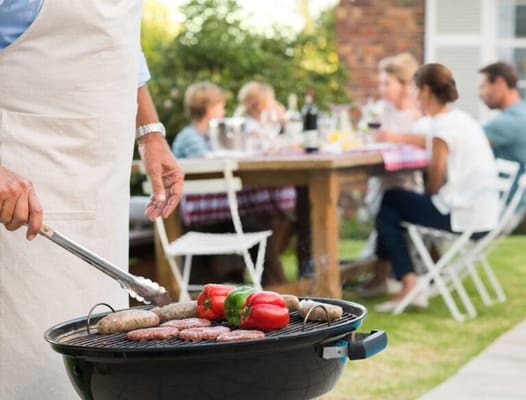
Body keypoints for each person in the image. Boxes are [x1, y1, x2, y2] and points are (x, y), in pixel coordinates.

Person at [0, 2, 184, 399]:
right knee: (32, 367)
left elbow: (121, 45)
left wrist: (150, 133)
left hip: (102, 191)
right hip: (21, 193)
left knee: (97, 361)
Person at [373, 63, 500, 312]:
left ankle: (408, 283)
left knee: (389, 201)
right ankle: (400, 279)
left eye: (416, 90)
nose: (413, 96)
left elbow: (434, 181)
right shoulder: (462, 119)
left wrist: (422, 198)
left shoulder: (442, 129)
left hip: (463, 217)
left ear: (427, 91)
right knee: (396, 204)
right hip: (484, 216)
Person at [171, 81, 288, 286]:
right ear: (209, 109)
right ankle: (274, 288)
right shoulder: (191, 138)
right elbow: (211, 169)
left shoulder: (210, 135)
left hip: (214, 215)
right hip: (199, 219)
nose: (224, 111)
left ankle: (271, 286)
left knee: (263, 220)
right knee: (258, 223)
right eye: (221, 106)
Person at [355, 52, 431, 298]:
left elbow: (430, 141)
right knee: (386, 209)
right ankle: (385, 278)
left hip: (409, 183)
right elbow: (363, 134)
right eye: (381, 83)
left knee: (388, 212)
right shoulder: (379, 110)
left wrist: (394, 137)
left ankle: (388, 278)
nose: (382, 88)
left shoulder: (420, 113)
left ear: (405, 85)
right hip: (382, 180)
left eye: (387, 83)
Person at [478, 61, 526, 230]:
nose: (480, 94)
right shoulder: (522, 112)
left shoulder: (509, 122)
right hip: (509, 207)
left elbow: (463, 144)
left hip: (497, 210)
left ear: (500, 82)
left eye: (483, 87)